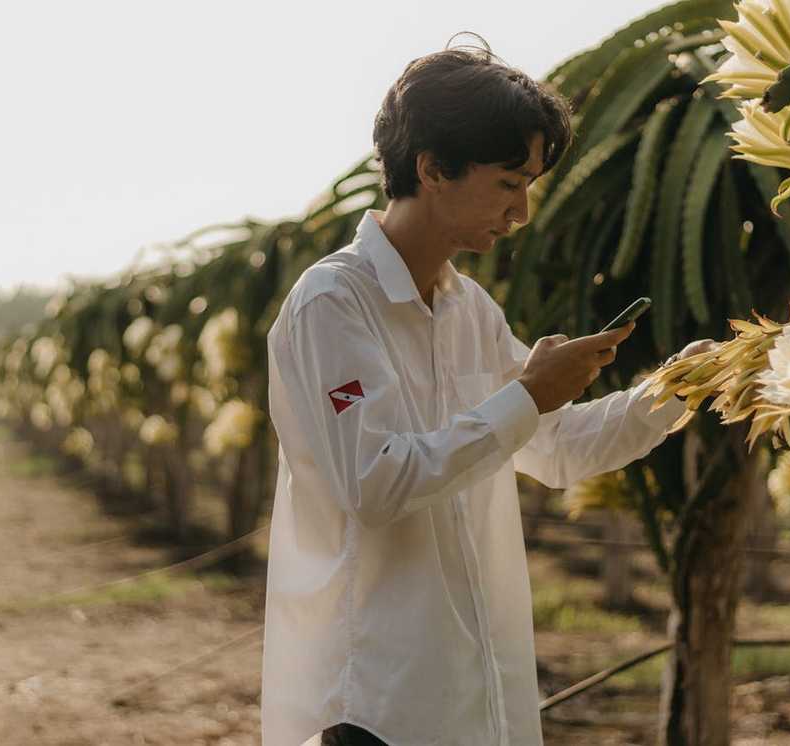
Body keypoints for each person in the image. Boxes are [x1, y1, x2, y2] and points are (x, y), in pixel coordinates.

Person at [261, 36, 715, 746]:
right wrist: (529, 395)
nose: (523, 211)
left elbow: (554, 451)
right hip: (377, 699)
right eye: (510, 183)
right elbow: (376, 483)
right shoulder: (333, 304)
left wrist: (680, 387)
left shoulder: (470, 310)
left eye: (529, 183)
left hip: (474, 692)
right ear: (433, 168)